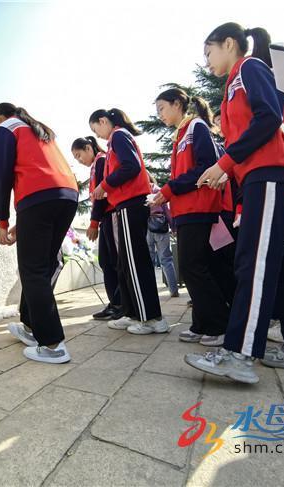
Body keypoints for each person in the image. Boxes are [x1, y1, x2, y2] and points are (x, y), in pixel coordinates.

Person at [183, 23, 284, 383]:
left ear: (229, 43)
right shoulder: (234, 80)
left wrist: (224, 163)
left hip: (268, 172)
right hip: (257, 177)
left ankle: (240, 353)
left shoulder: (249, 68)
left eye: (208, 52)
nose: (207, 61)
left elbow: (269, 116)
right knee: (277, 262)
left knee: (254, 261)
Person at [0, 103, 78, 363]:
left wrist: (2, 221)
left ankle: (52, 345)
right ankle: (31, 327)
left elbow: (1, 177)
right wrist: (21, 222)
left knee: (33, 270)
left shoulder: (7, 128)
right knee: (42, 266)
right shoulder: (37, 128)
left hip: (38, 198)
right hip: (66, 196)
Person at [151, 87, 230, 347]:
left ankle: (219, 325)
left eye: (162, 108)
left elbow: (205, 167)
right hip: (186, 209)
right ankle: (201, 324)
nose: (160, 114)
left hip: (199, 207)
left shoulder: (196, 127)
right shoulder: (181, 134)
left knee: (192, 266)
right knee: (193, 267)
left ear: (177, 104)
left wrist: (168, 190)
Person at [89, 108, 168, 335]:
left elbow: (131, 166)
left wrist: (105, 185)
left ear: (103, 121)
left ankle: (151, 317)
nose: (98, 136)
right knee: (126, 263)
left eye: (96, 129)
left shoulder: (118, 136)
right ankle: (132, 312)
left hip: (130, 204)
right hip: (125, 205)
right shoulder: (116, 139)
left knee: (135, 262)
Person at [71, 136, 123, 321]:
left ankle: (121, 304)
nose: (79, 160)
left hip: (111, 214)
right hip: (105, 218)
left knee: (116, 262)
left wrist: (93, 223)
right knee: (106, 262)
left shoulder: (101, 161)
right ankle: (115, 302)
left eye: (79, 155)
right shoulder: (95, 165)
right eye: (76, 158)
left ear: (88, 148)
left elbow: (101, 195)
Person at [146, 173, 179, 298]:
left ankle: (150, 292)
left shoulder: (140, 192)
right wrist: (173, 227)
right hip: (160, 225)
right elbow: (167, 211)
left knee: (149, 261)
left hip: (147, 226)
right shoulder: (159, 190)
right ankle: (173, 290)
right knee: (166, 259)